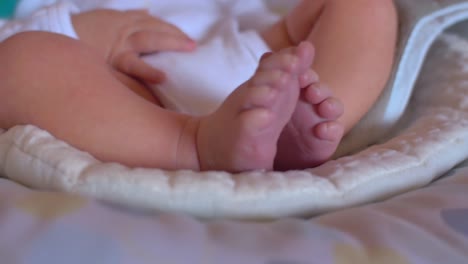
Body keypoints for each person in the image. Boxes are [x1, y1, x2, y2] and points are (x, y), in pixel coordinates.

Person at [0, 0, 397, 172]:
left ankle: (313, 116)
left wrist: (284, 33)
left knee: (364, 6)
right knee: (20, 61)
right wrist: (76, 29)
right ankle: (196, 145)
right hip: (136, 99)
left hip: (253, 57)